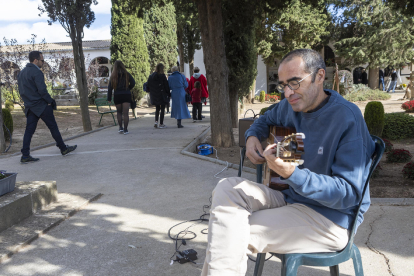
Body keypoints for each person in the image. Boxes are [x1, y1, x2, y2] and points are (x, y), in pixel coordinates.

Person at [201, 49, 375, 276]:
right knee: (227, 188)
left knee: (227, 230)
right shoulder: (292, 105)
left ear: (320, 76)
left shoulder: (347, 118)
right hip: (290, 197)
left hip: (330, 219)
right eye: (283, 85)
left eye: (295, 83)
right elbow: (265, 119)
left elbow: (349, 193)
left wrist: (293, 174)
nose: (287, 93)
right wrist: (252, 136)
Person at [17, 51, 77, 164]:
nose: (43, 62)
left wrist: (28, 102)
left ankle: (25, 155)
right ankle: (63, 149)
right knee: (53, 127)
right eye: (42, 60)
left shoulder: (21, 73)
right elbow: (42, 91)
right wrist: (51, 101)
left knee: (28, 131)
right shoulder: (37, 72)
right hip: (41, 105)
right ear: (35, 60)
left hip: (30, 107)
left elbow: (22, 91)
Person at [107, 60, 135, 134]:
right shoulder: (126, 74)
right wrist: (128, 88)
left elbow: (110, 88)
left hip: (117, 95)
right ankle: (126, 129)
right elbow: (133, 82)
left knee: (119, 112)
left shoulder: (113, 76)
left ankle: (120, 128)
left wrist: (109, 98)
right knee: (126, 113)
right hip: (126, 94)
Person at [147, 63, 170, 129]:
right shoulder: (162, 76)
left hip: (154, 94)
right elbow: (166, 86)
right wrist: (168, 93)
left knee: (157, 108)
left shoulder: (151, 76)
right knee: (162, 109)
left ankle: (156, 122)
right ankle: (161, 123)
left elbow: (148, 85)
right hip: (162, 94)